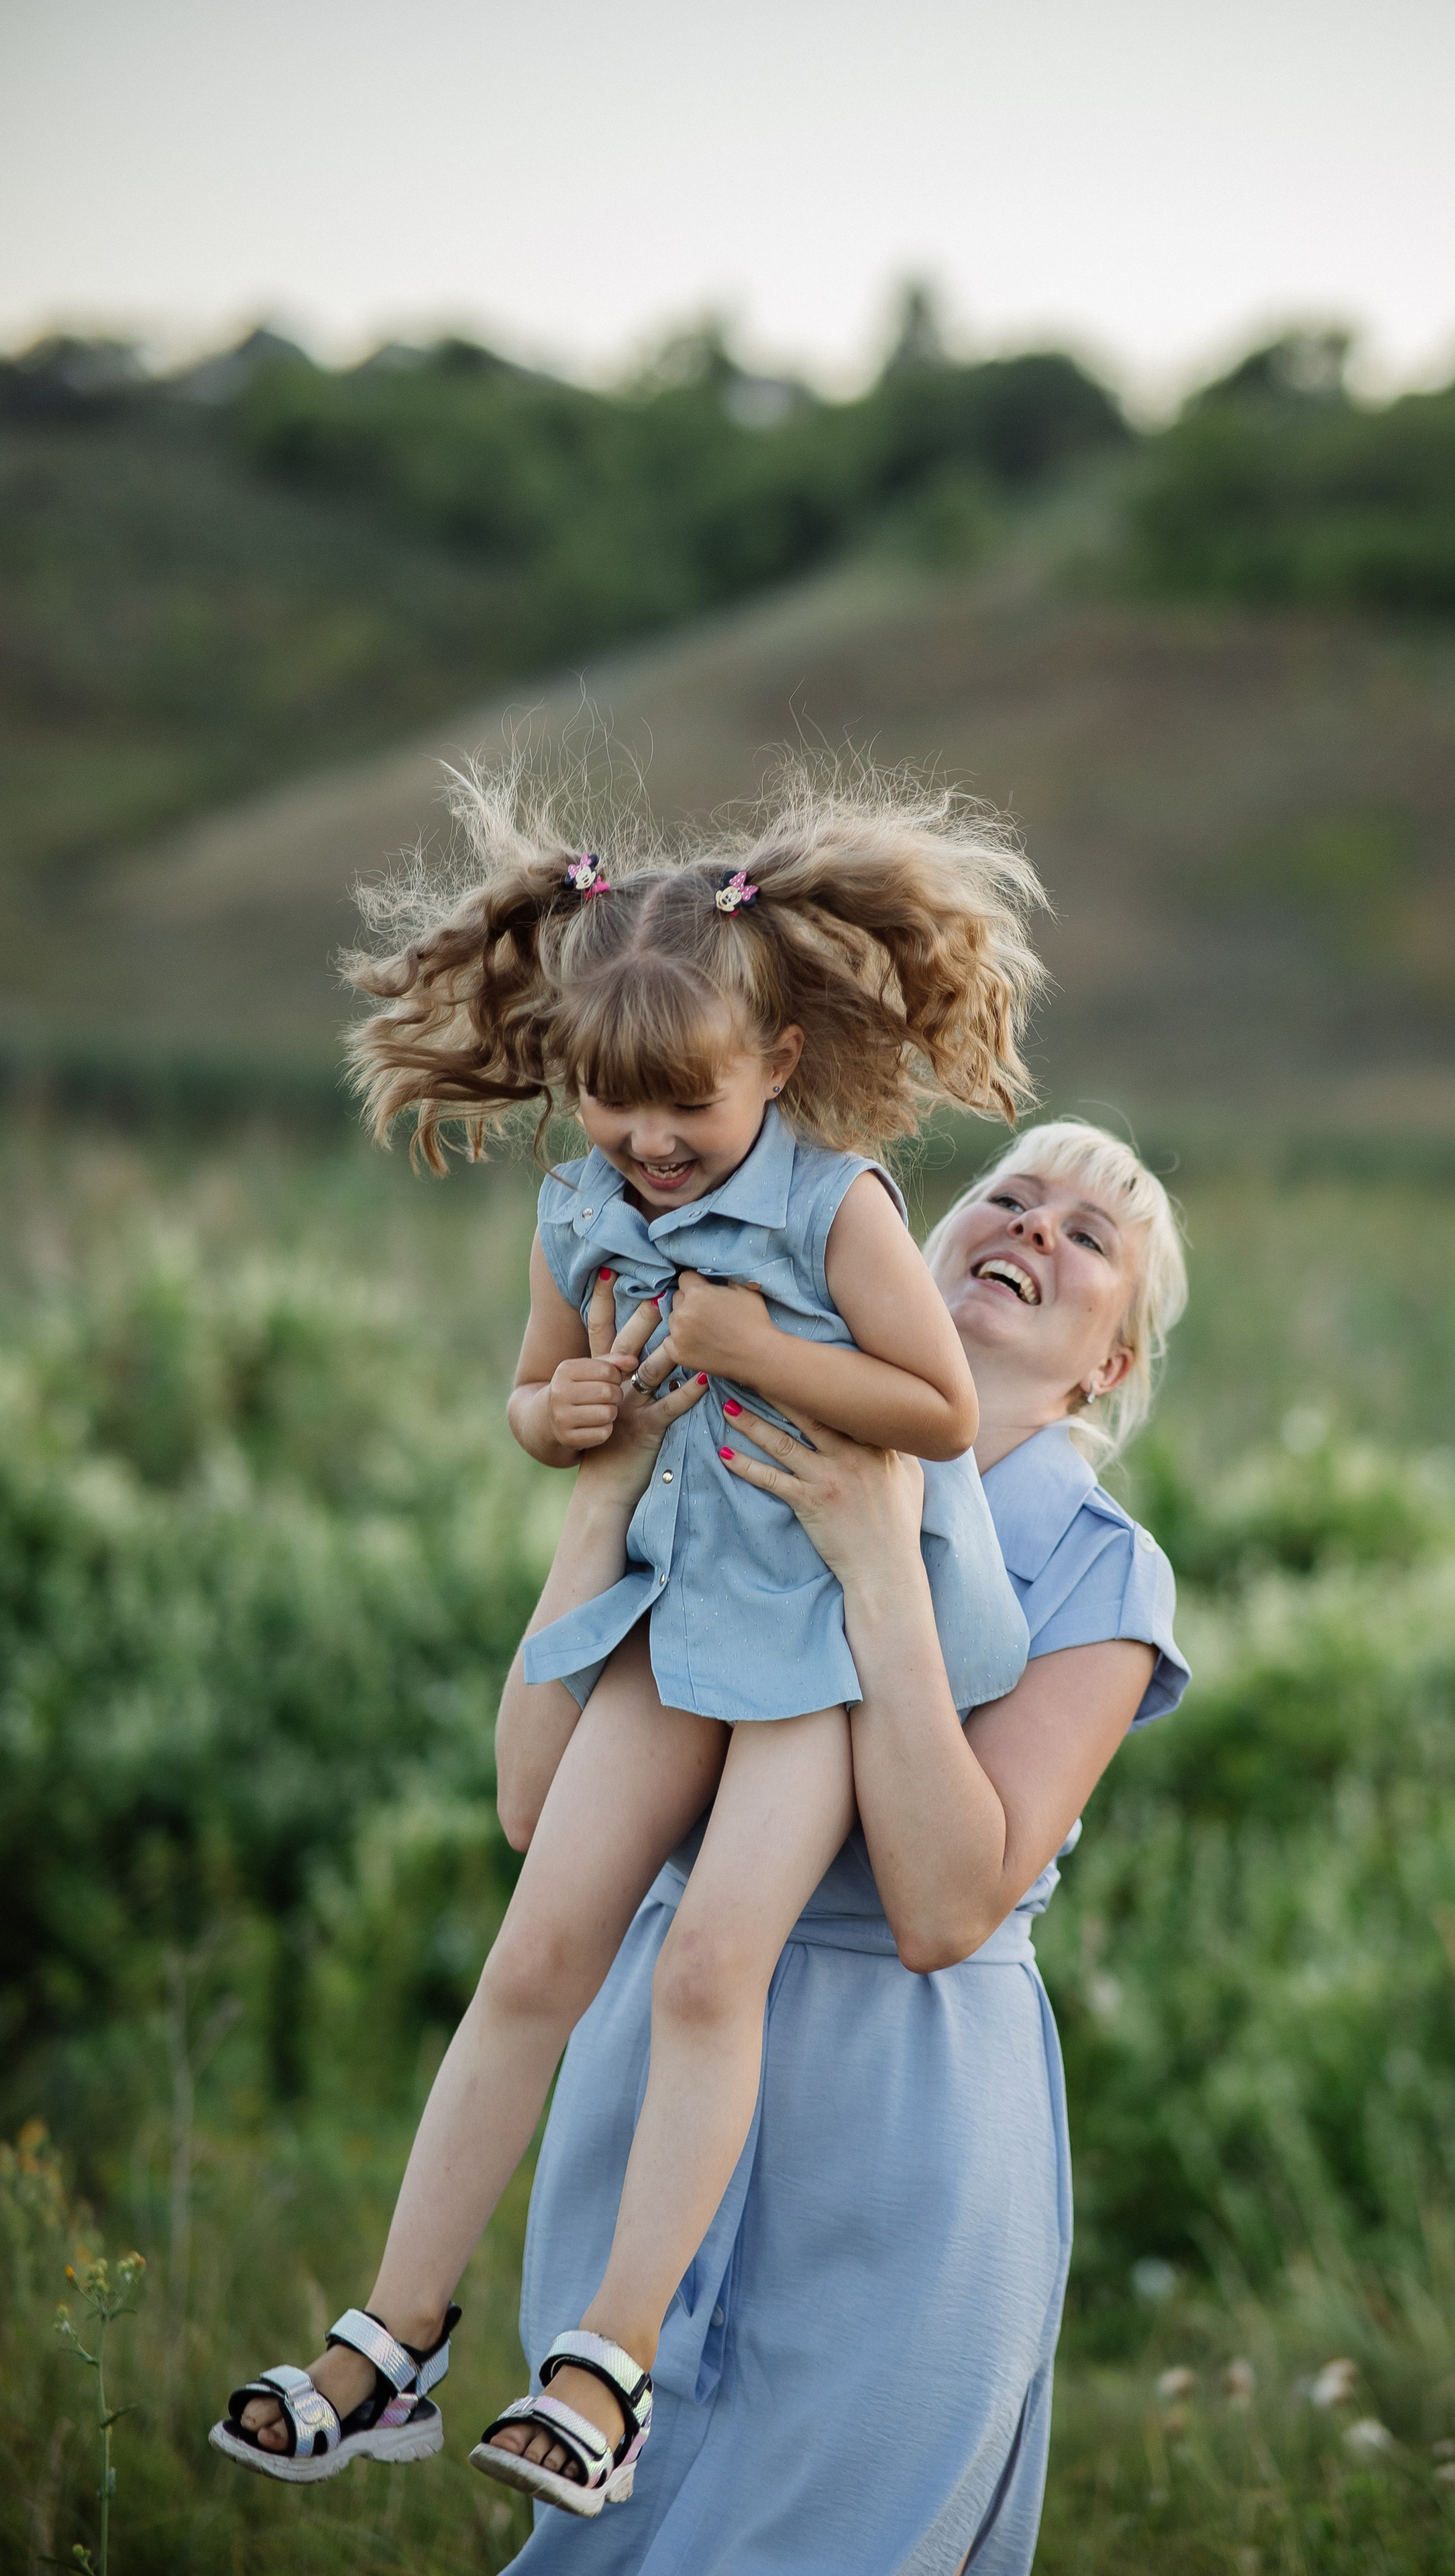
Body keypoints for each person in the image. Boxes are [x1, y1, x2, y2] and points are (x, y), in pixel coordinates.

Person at [211, 767, 1045, 2510]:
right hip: (675, 1620)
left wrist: (754, 1345)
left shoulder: (836, 1205)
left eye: (686, 1107)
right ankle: (391, 2339)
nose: (648, 1142)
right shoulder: (578, 1211)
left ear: (778, 1062)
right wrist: (563, 1413)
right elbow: (532, 1398)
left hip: (816, 1644)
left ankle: (609, 2358)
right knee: (535, 1954)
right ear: (566, 1076)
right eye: (608, 1104)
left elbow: (940, 1410)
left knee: (704, 1969)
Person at [494, 1117, 1191, 2574]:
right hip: (649, 2087)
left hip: (897, 2126)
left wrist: (881, 1563)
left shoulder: (1099, 1571)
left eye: (1087, 1237)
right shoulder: (723, 1427)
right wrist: (605, 1489)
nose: (1033, 1228)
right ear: (902, 1252)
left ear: (1108, 1368)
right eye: (1008, 1196)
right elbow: (535, 1812)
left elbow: (942, 1906)